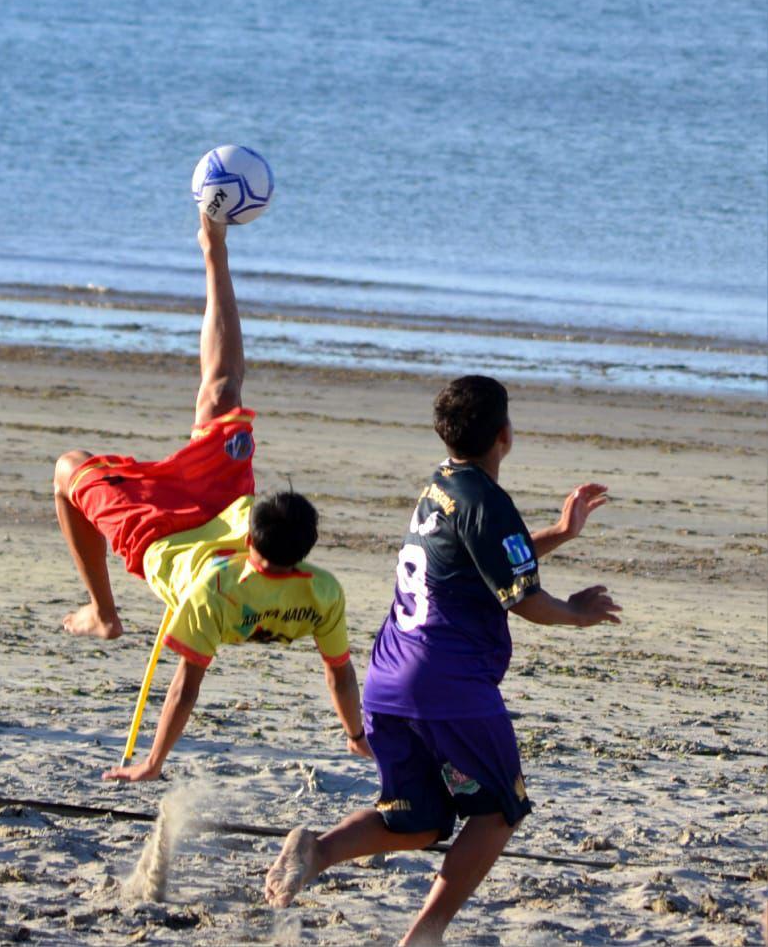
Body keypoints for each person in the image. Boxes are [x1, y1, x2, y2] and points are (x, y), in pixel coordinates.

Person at [265, 375, 621, 946]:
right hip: (446, 684)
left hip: (388, 679)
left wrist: (559, 532)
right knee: (499, 811)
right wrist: (576, 613)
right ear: (505, 435)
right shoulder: (486, 500)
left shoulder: (441, 485)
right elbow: (524, 599)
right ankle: (423, 938)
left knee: (420, 820)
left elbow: (482, 560)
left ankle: (318, 851)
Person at [52, 214, 371, 782]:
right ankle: (214, 248)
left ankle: (103, 612)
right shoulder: (323, 589)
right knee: (223, 392)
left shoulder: (212, 596)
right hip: (221, 507)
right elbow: (340, 674)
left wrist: (152, 763)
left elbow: (184, 688)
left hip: (162, 538)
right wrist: (356, 735)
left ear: (256, 540)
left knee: (66, 470)